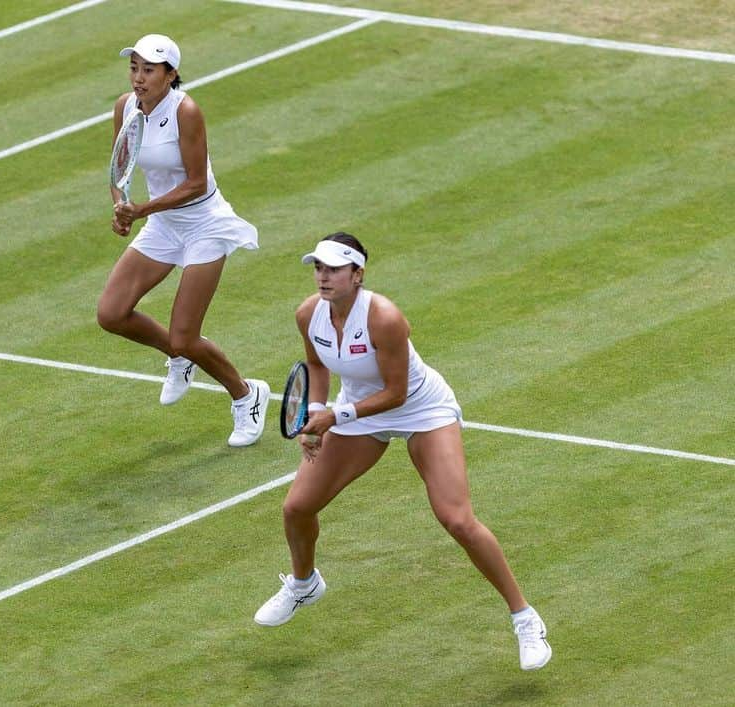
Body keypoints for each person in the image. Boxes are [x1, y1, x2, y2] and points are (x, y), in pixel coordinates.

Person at [252, 232, 552, 671]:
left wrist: (335, 417)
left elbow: (396, 392)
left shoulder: (385, 317)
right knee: (297, 507)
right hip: (357, 412)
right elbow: (316, 365)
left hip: (421, 409)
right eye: (318, 268)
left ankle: (525, 618)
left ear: (358, 275)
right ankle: (304, 583)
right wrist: (313, 413)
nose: (323, 277)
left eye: (334, 269)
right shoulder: (308, 315)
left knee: (457, 519)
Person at [97, 33, 270, 447]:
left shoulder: (186, 111)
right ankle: (177, 358)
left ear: (171, 74)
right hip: (162, 223)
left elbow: (195, 183)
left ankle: (247, 396)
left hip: (204, 224)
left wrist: (141, 210)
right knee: (111, 313)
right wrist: (121, 205)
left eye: (149, 70)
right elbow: (120, 166)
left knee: (186, 336)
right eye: (134, 67)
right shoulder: (125, 106)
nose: (139, 78)